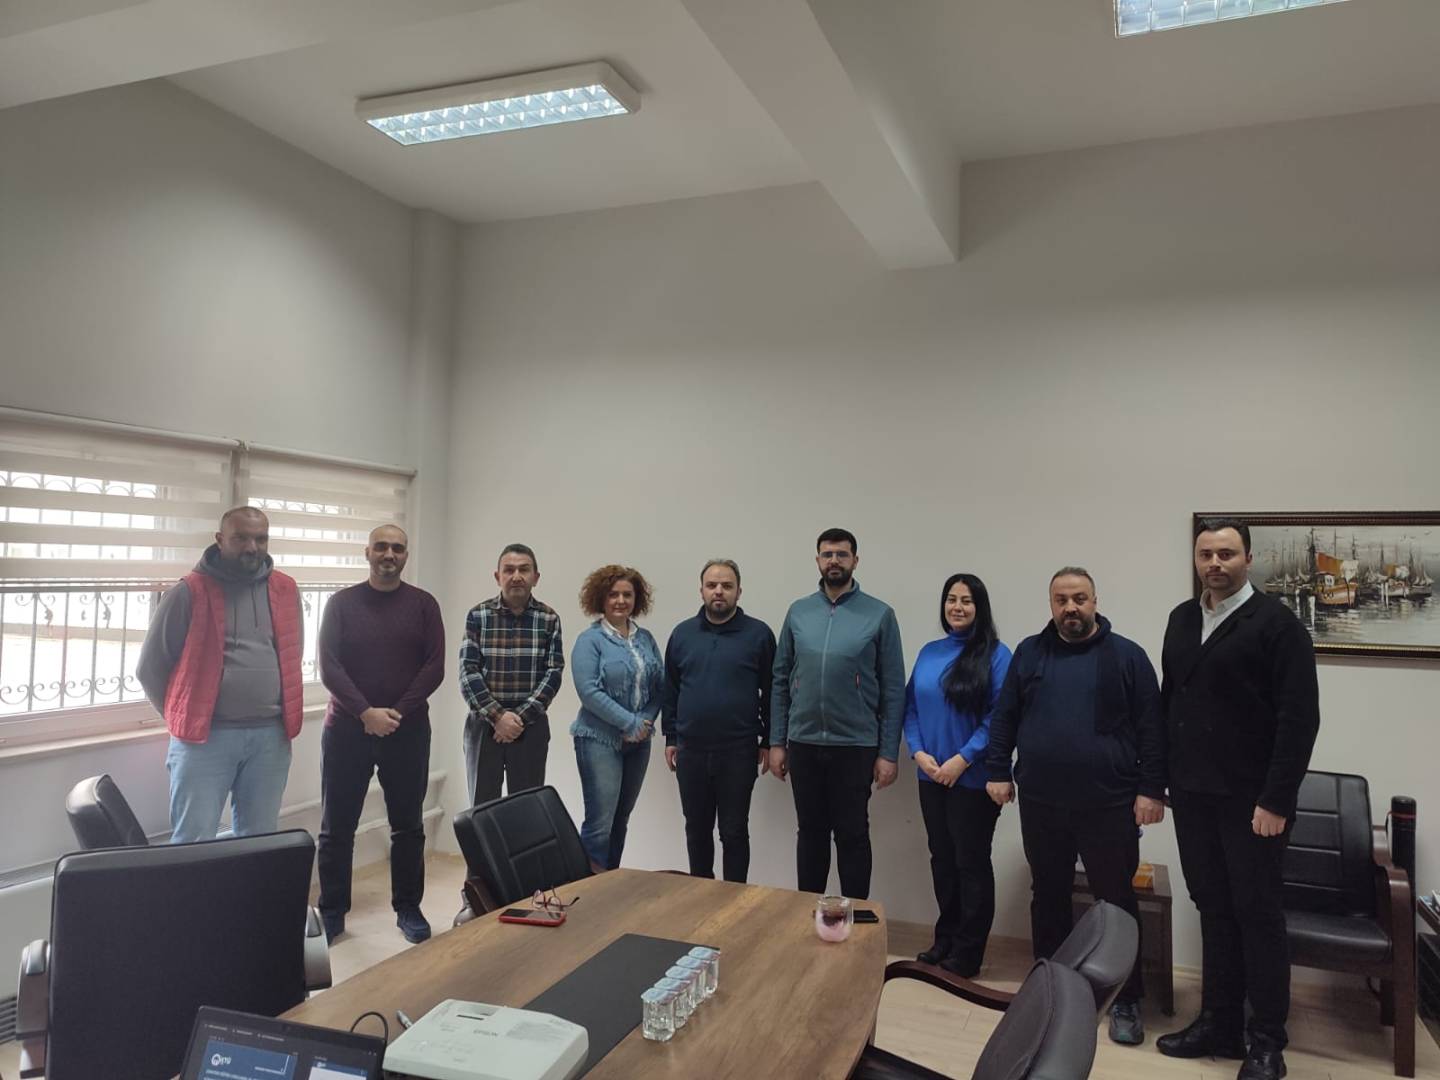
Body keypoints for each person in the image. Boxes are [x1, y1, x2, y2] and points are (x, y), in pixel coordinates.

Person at [1157, 518, 1320, 1080]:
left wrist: (1277, 800)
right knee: (1213, 908)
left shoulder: (1277, 625)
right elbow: (1170, 704)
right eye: (1206, 554)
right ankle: (1219, 1023)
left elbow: (1299, 720)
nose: (1215, 564)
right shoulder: (1182, 619)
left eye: (1226, 553)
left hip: (1253, 804)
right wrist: (1161, 779)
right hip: (1193, 797)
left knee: (1258, 915)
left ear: (1249, 558)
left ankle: (1267, 1041)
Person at [985, 566, 1164, 1047]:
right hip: (1042, 802)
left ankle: (1126, 998)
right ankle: (1048, 990)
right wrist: (997, 770)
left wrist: (1151, 790)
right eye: (1061, 600)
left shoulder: (1127, 656)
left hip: (1109, 804)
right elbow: (1005, 717)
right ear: (1051, 605)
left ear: (1095, 601)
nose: (1070, 608)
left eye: (1079, 598)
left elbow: (1152, 728)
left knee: (1116, 902)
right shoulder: (1029, 653)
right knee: (1048, 895)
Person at [137, 506, 303, 843]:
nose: (252, 547)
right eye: (241, 538)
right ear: (220, 539)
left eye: (260, 539)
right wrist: (183, 717)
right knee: (193, 840)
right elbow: (150, 668)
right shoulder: (189, 591)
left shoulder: (286, 589)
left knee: (259, 841)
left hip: (270, 738)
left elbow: (291, 652)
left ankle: (247, 883)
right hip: (205, 740)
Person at [316, 525, 445, 945]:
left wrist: (396, 713)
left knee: (407, 826)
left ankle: (408, 908)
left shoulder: (424, 605)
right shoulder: (341, 604)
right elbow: (329, 665)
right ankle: (332, 911)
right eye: (382, 547)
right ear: (367, 552)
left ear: (406, 555)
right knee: (337, 827)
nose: (389, 554)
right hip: (346, 730)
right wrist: (365, 712)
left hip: (407, 731)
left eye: (398, 548)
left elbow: (435, 667)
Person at [769, 528, 904, 900]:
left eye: (842, 555)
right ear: (817, 560)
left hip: (856, 745)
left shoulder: (879, 614)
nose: (834, 561)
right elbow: (781, 678)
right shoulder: (799, 612)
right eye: (827, 554)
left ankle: (855, 916)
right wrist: (777, 741)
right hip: (804, 742)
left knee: (852, 834)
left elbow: (894, 688)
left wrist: (888, 752)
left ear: (855, 561)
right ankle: (806, 913)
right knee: (810, 833)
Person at [904, 573, 1012, 977]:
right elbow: (910, 708)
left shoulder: (997, 655)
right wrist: (918, 753)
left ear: (979, 607)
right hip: (930, 776)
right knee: (942, 860)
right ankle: (945, 939)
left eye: (967, 600)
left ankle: (968, 952)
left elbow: (999, 716)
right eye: (951, 599)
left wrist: (962, 759)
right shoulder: (929, 652)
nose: (958, 607)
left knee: (971, 863)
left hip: (973, 780)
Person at [662, 559, 776, 882]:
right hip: (691, 750)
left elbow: (772, 691)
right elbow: (670, 689)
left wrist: (769, 740)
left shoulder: (759, 635)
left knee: (734, 831)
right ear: (701, 590)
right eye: (712, 585)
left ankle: (735, 900)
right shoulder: (682, 634)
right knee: (696, 830)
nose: (718, 591)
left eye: (727, 586)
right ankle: (702, 898)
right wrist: (671, 737)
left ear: (739, 591)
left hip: (738, 750)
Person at [570, 564, 663, 871]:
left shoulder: (646, 639)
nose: (621, 600)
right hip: (598, 740)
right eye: (613, 594)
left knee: (621, 819)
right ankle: (588, 890)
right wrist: (630, 723)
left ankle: (610, 884)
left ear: (637, 599)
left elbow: (661, 687)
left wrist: (645, 721)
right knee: (600, 823)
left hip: (639, 742)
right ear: (601, 598)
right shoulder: (590, 640)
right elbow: (588, 691)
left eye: (627, 594)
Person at [459, 544, 565, 805]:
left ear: (535, 577)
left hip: (530, 727)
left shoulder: (549, 618)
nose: (516, 576)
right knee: (483, 808)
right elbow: (468, 671)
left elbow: (553, 672)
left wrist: (517, 719)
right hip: (484, 726)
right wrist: (498, 717)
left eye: (524, 570)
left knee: (527, 808)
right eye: (509, 570)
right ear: (498, 576)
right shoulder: (478, 616)